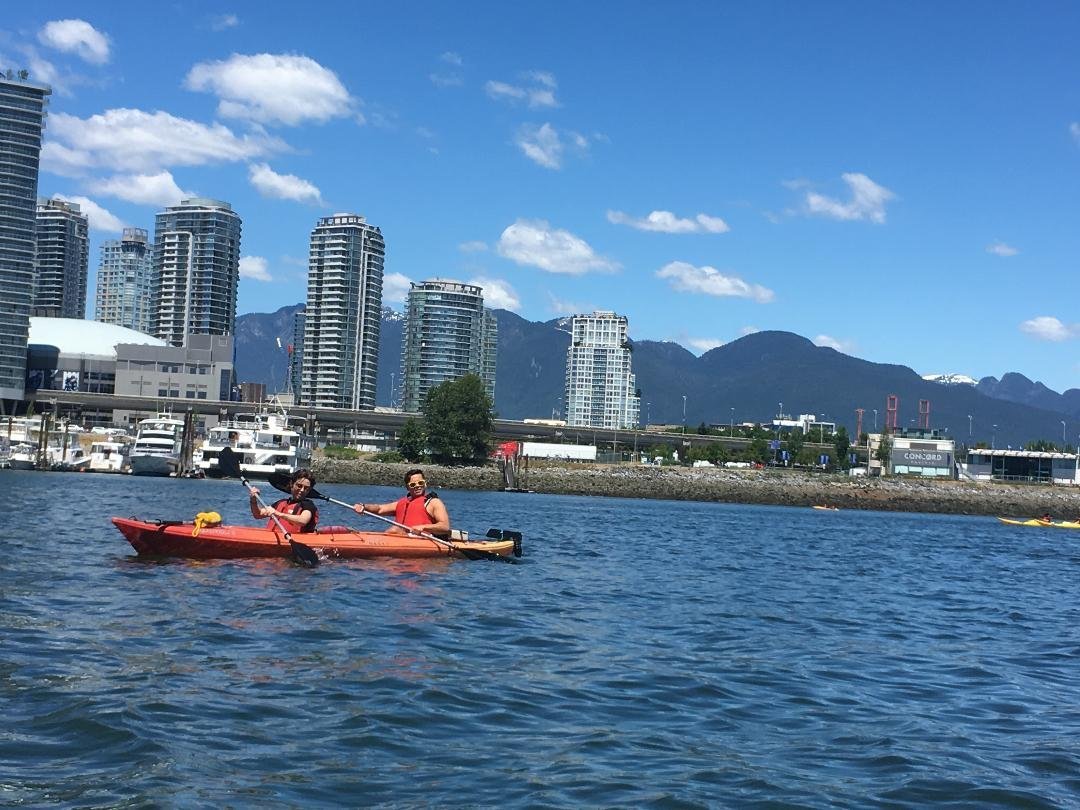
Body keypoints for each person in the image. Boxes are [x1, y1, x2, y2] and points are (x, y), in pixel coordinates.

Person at [354, 468, 450, 538]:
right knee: (394, 530)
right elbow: (380, 509)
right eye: (413, 484)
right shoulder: (402, 503)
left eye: (420, 483)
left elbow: (444, 527)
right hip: (401, 537)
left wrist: (423, 527)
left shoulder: (434, 503)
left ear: (425, 484)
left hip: (422, 539)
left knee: (394, 530)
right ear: (407, 487)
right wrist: (363, 506)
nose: (417, 486)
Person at [249, 468, 318, 533]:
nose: (302, 490)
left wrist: (278, 514)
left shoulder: (308, 505)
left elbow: (303, 520)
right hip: (272, 539)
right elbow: (258, 514)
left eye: (306, 488)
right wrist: (253, 500)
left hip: (296, 541)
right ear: (292, 484)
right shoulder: (281, 503)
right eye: (299, 486)